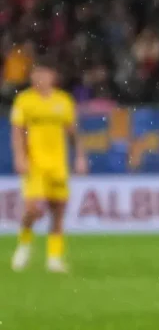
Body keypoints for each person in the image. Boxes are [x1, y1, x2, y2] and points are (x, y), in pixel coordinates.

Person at [10, 58, 87, 273]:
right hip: (34, 163)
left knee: (58, 210)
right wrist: (19, 157)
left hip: (58, 164)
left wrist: (80, 157)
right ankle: (24, 245)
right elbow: (17, 131)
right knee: (32, 209)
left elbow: (73, 132)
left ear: (53, 76)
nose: (40, 78)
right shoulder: (25, 100)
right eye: (37, 74)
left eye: (44, 74)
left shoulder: (63, 101)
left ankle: (54, 257)